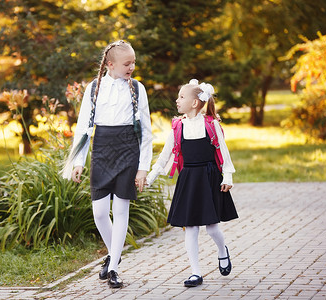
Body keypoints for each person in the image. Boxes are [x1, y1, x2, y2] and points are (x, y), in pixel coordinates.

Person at [63, 40, 152, 288]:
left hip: (128, 150)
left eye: (134, 62)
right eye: (127, 63)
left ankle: (112, 268)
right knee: (100, 212)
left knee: (121, 210)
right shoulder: (94, 88)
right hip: (102, 150)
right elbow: (83, 128)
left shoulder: (137, 88)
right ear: (110, 64)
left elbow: (146, 130)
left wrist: (143, 166)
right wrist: (77, 162)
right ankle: (116, 254)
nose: (132, 67)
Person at [146, 79, 238, 287]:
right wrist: (151, 175)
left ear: (195, 103)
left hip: (209, 178)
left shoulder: (211, 124)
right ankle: (196, 272)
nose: (177, 100)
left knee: (212, 228)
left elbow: (223, 152)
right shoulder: (178, 126)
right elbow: (165, 155)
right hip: (188, 179)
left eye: (181, 97)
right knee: (191, 228)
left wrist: (228, 176)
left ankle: (222, 251)